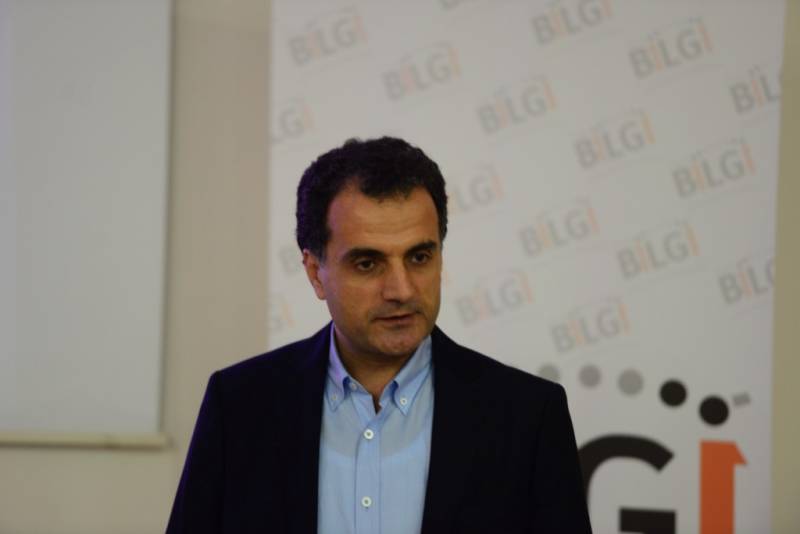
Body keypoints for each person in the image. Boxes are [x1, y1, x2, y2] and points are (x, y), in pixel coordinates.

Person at [166, 137, 592, 534]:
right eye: (368, 264)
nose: (401, 290)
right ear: (315, 273)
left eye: (419, 257)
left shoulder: (528, 416)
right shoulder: (240, 406)